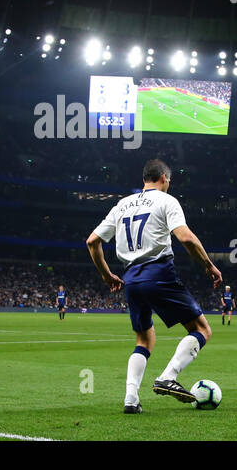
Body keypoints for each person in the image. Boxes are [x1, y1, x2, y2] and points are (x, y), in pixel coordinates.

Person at [86, 159, 221, 414]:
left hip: (131, 279)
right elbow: (185, 237)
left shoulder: (122, 204)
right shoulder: (167, 201)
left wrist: (107, 275)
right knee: (202, 328)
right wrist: (208, 265)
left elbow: (92, 241)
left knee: (144, 339)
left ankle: (130, 398)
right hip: (158, 273)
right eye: (169, 180)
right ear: (164, 178)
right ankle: (168, 376)